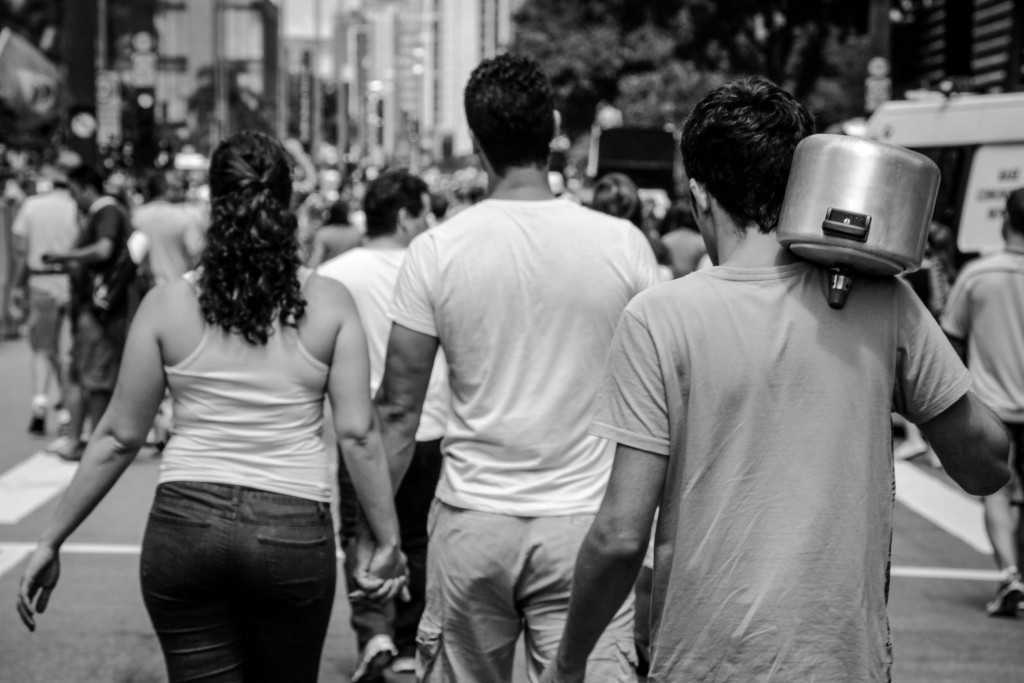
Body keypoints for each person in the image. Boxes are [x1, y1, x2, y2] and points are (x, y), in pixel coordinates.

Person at [542, 77, 1010, 683]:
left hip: (702, 666)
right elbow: (986, 466)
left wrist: (568, 660)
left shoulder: (660, 317)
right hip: (844, 666)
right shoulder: (881, 299)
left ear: (699, 196)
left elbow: (620, 534)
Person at [16, 131, 407, 683]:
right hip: (291, 529)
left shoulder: (168, 304)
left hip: (185, 525)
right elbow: (359, 435)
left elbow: (117, 437)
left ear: (213, 203)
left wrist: (50, 540)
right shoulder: (329, 301)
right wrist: (386, 540)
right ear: (288, 202)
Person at [374, 53, 660, 682]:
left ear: (477, 143)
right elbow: (659, 397)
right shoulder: (622, 246)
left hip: (473, 519)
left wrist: (379, 531)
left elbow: (397, 409)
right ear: (553, 126)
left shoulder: (436, 250)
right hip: (584, 523)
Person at [319, 168, 450, 680]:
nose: (429, 223)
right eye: (423, 213)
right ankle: (406, 643)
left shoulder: (335, 274)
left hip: (362, 430)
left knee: (360, 530)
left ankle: (372, 628)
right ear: (402, 217)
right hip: (429, 422)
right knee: (416, 536)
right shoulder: (430, 267)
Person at [941, 188, 1024, 617]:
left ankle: (1010, 573)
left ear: (1004, 220)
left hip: (993, 405)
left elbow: (949, 339)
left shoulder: (978, 275)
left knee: (998, 489)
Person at [40, 165, 133, 462]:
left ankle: (90, 441)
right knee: (84, 375)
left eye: (75, 192)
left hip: (97, 312)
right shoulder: (107, 211)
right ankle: (82, 439)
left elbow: (104, 250)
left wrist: (64, 256)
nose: (74, 199)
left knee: (92, 378)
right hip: (95, 309)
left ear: (87, 189)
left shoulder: (106, 211)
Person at [10, 164, 79, 435]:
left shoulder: (32, 206)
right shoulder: (77, 206)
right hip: (71, 284)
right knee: (65, 352)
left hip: (39, 283)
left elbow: (19, 252)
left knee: (42, 349)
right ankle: (65, 413)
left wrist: (16, 288)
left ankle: (39, 405)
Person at [131, 169, 205, 287]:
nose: (181, 192)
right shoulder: (184, 216)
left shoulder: (137, 215)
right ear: (166, 190)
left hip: (148, 291)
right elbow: (198, 254)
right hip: (178, 288)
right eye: (176, 188)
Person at [307, 199, 363, 268]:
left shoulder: (323, 233)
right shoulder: (355, 233)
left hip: (327, 274)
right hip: (349, 272)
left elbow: (315, 260)